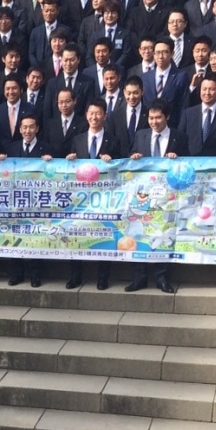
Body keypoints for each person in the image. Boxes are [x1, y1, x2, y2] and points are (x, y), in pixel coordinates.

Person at [128, 99, 185, 293]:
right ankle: (139, 278)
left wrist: (178, 158)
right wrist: (134, 157)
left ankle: (162, 279)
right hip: (144, 195)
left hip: (168, 196)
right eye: (151, 118)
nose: (154, 122)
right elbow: (130, 160)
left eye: (158, 118)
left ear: (167, 117)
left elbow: (188, 164)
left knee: (163, 233)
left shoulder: (179, 137)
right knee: (140, 233)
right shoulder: (141, 135)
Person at [65, 99, 122, 289]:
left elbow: (120, 170)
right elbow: (69, 170)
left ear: (105, 116)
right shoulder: (77, 139)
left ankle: (102, 277)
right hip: (80, 200)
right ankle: (75, 276)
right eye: (91, 113)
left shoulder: (113, 140)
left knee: (104, 234)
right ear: (86, 115)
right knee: (76, 233)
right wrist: (69, 159)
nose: (94, 117)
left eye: (98, 113)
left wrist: (111, 161)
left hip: (104, 199)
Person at [0, 113, 54, 287]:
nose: (27, 131)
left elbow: (54, 174)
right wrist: (0, 162)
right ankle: (16, 274)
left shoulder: (47, 149)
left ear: (37, 129)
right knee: (15, 235)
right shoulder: (11, 149)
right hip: (16, 201)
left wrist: (50, 163)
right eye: (24, 127)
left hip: (37, 203)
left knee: (35, 237)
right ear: (20, 129)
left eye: (31, 127)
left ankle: (35, 275)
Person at [179, 72, 216, 155]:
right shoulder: (188, 114)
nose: (207, 93)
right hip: (191, 161)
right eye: (204, 89)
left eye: (211, 89)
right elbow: (180, 140)